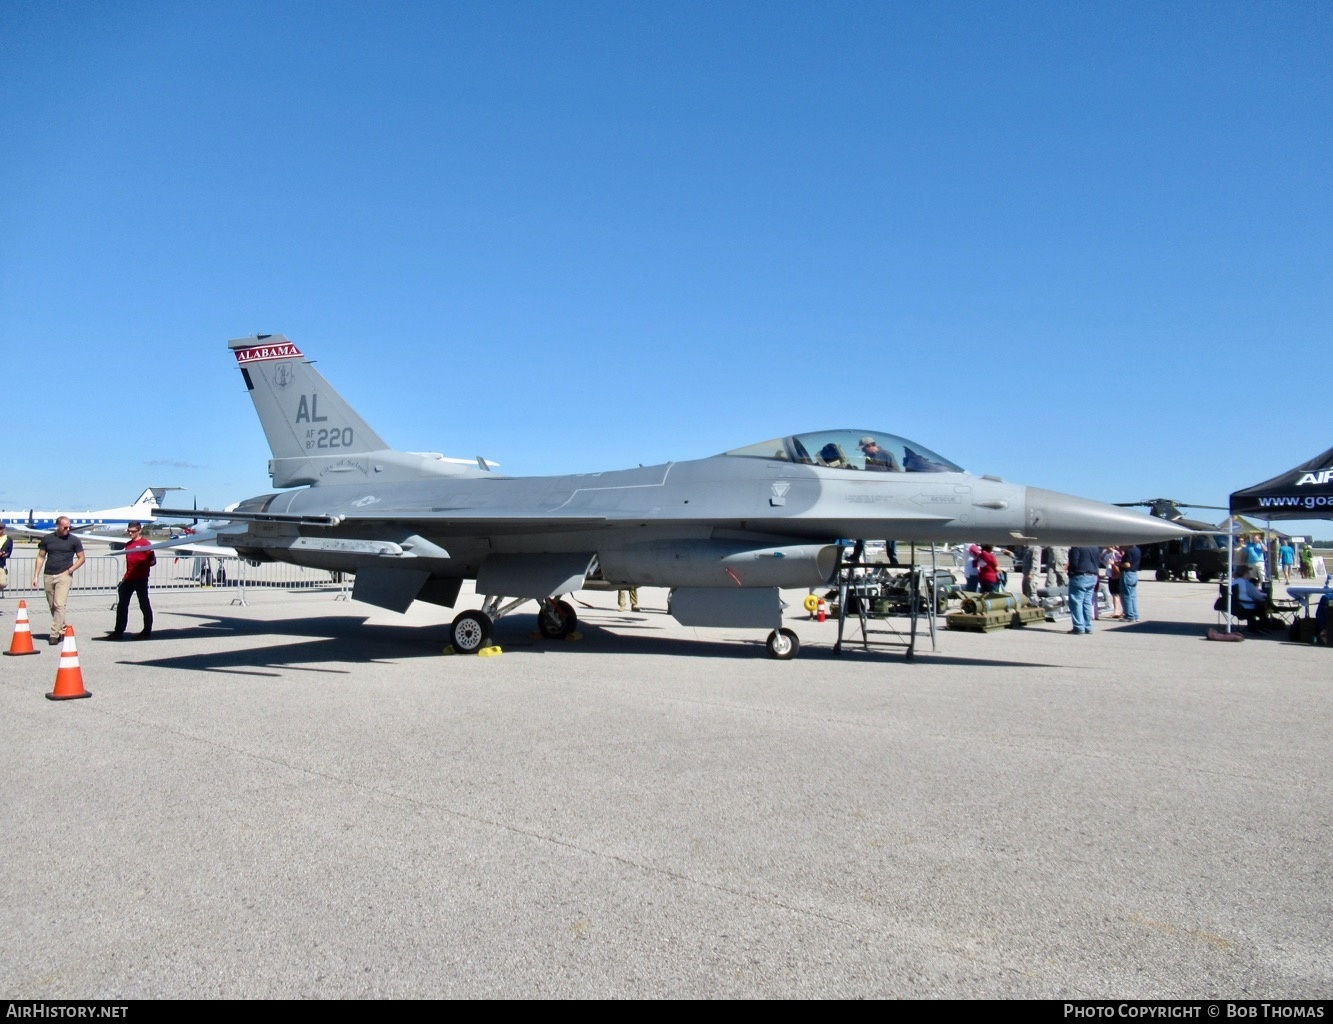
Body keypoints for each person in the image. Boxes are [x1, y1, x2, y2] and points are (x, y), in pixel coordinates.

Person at [33, 516, 86, 645]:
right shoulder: (47, 539)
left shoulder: (74, 540)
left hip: (64, 574)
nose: (68, 529)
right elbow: (41, 557)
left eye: (69, 527)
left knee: (59, 605)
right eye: (65, 527)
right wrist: (35, 576)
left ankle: (54, 634)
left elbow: (82, 558)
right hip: (49, 574)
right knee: (52, 605)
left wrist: (71, 569)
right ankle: (62, 628)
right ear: (58, 526)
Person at [110, 520, 155, 640]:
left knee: (144, 604)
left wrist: (143, 565)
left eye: (133, 532)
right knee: (122, 605)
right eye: (129, 531)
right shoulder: (129, 544)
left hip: (141, 579)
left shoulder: (146, 544)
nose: (130, 534)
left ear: (139, 531)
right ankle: (118, 631)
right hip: (128, 579)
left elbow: (153, 561)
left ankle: (146, 631)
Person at [1066, 546, 1101, 634]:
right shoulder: (1095, 547)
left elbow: (1074, 562)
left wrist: (1070, 572)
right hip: (1093, 575)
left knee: (1076, 601)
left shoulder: (1077, 547)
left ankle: (1078, 627)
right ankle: (1088, 626)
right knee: (1087, 602)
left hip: (1080, 575)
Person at [1232, 565, 1274, 633]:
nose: (1250, 574)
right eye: (1249, 572)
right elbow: (1256, 596)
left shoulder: (1233, 582)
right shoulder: (1246, 583)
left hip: (1235, 607)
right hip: (1246, 607)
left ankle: (1253, 625)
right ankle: (1263, 625)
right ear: (1245, 573)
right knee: (1262, 605)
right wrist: (1264, 597)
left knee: (1259, 604)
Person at [1119, 544, 1142, 623]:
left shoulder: (1128, 551)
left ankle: (1129, 616)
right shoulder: (1137, 550)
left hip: (1127, 573)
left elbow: (1127, 564)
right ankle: (1135, 615)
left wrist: (1118, 563)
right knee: (1133, 596)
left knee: (1126, 596)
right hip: (1134, 573)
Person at [0, 522, 11, 609]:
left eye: (1, 528)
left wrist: (5, 554)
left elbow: (9, 551)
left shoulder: (8, 539)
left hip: (1, 565)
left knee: (2, 583)